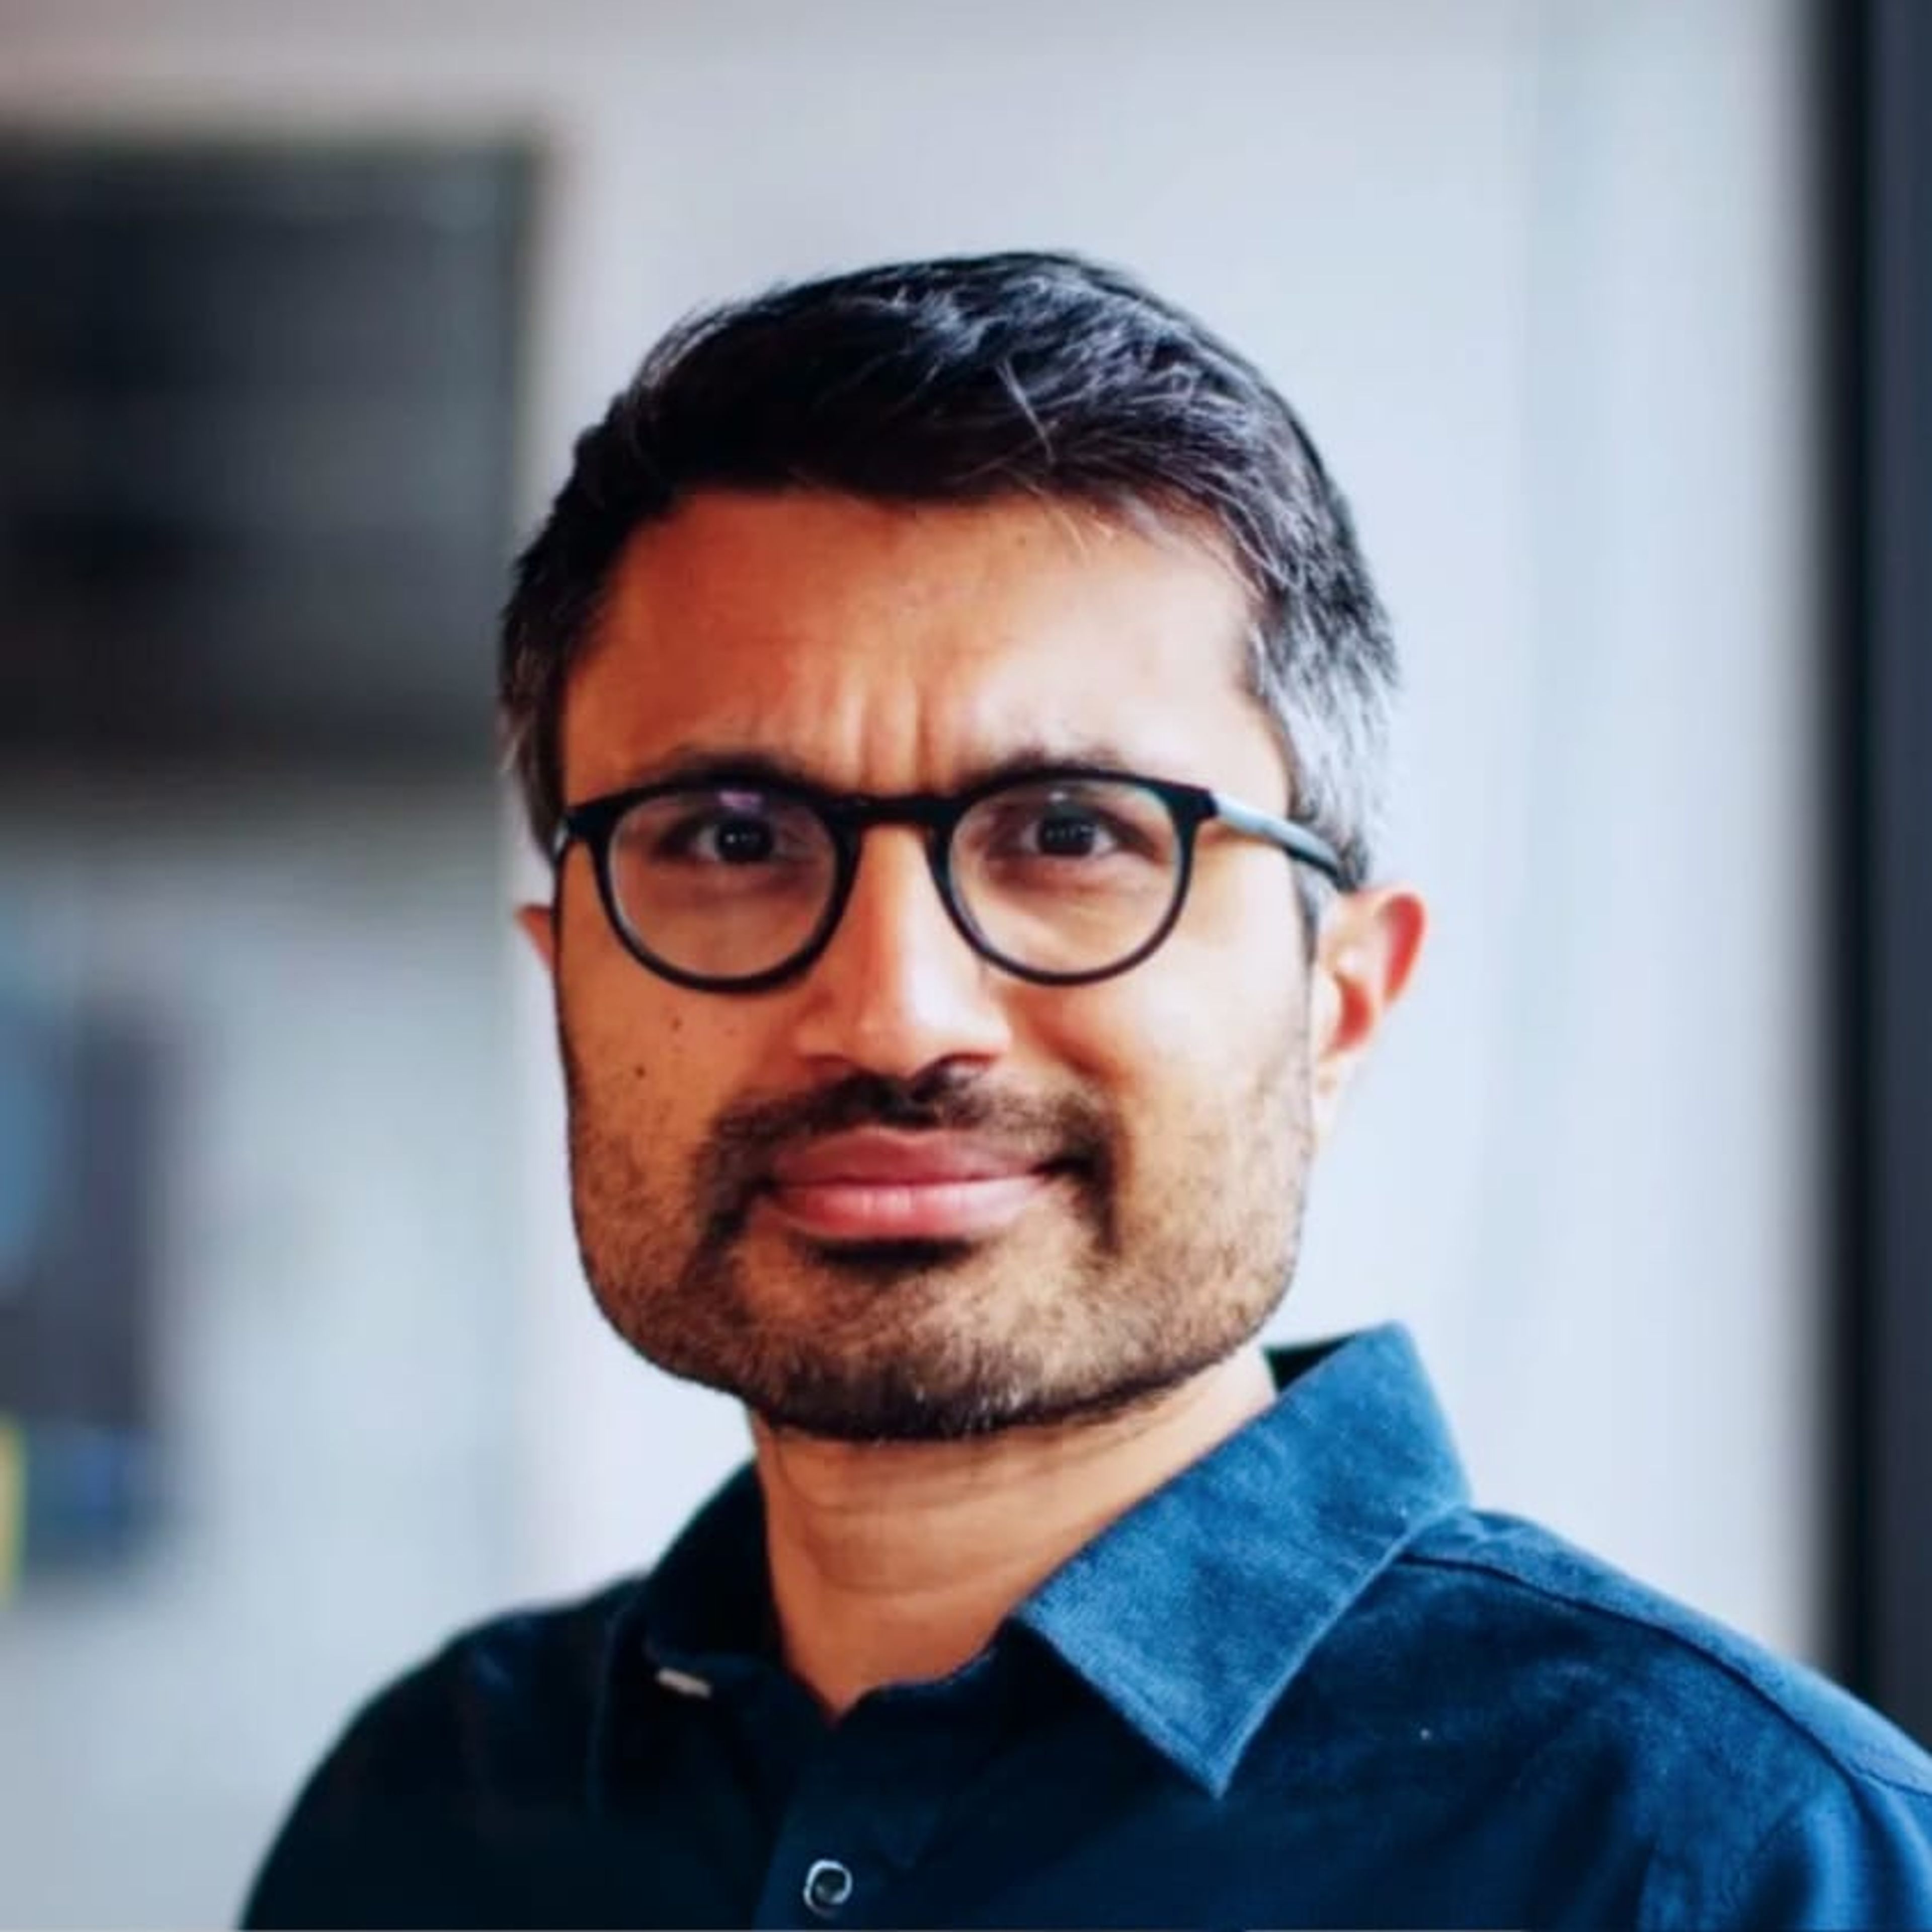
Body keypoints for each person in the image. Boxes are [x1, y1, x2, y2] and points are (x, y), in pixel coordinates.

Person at [242, 250, 1932, 1930]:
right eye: (734, 842)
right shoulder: (421, 1824)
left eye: (1070, 836)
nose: (894, 1018)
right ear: (567, 985)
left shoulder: (1743, 1867)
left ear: (1337, 1004)